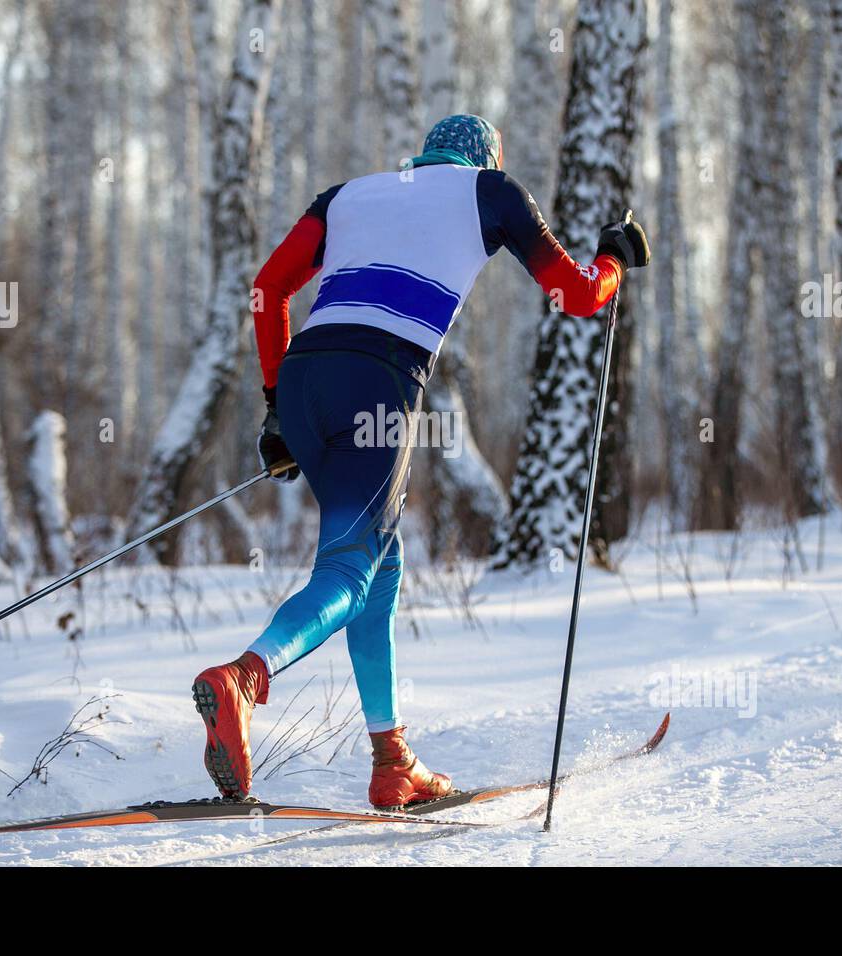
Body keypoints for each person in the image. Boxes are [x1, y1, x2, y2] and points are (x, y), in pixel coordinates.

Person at [193, 114, 650, 809]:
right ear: (483, 158)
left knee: (383, 560)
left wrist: (278, 407)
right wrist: (614, 257)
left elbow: (268, 286)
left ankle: (391, 760)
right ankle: (244, 679)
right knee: (350, 567)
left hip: (306, 374)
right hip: (376, 380)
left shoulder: (347, 195)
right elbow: (578, 295)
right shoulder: (491, 192)